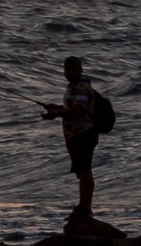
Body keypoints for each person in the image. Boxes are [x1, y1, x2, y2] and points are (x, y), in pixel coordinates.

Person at [41, 56, 98, 218]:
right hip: (74, 135)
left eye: (73, 69)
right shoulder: (72, 87)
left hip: (84, 134)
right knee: (82, 171)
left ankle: (85, 209)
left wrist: (57, 113)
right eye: (67, 69)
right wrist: (56, 108)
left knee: (85, 171)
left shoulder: (82, 87)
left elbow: (79, 110)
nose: (69, 72)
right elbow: (71, 108)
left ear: (80, 69)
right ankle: (83, 207)